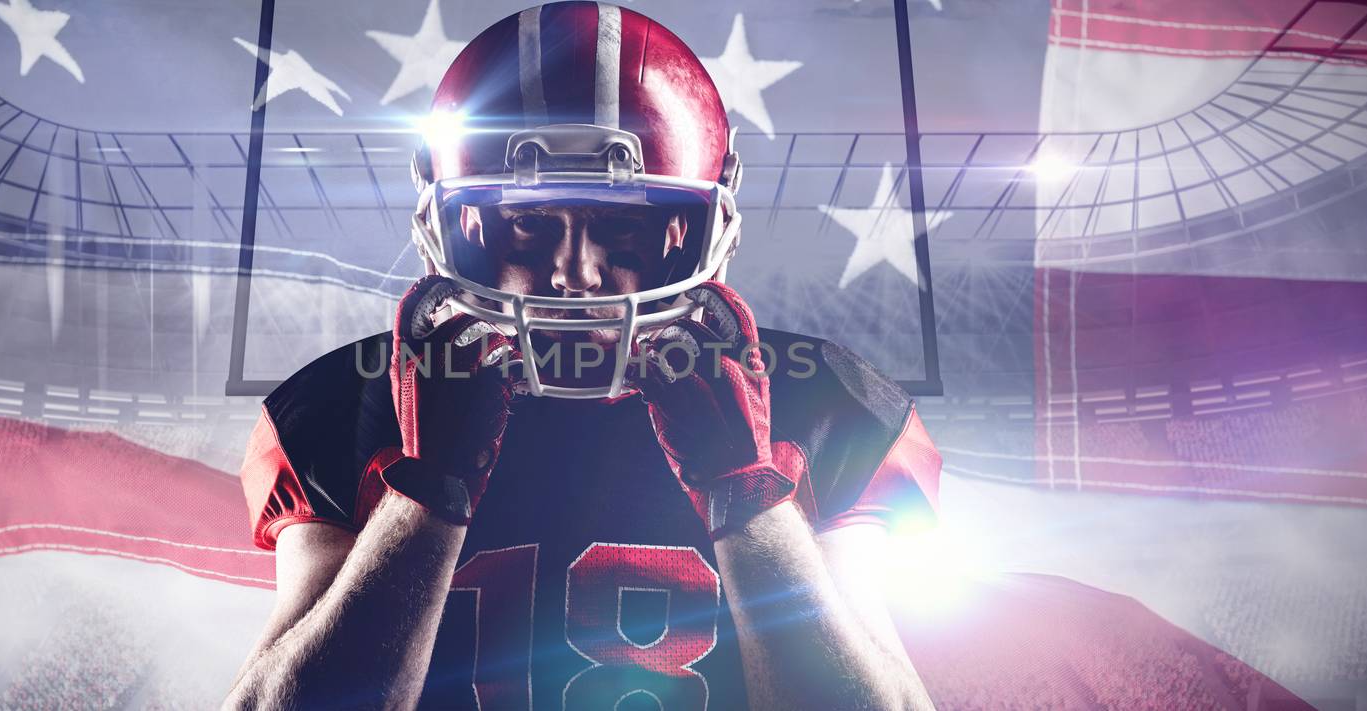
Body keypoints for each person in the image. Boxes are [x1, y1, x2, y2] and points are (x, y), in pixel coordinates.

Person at [223, 3, 941, 709]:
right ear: (455, 219)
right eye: (528, 221)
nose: (575, 272)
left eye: (623, 222)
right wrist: (425, 494)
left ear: (698, 223)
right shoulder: (354, 402)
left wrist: (748, 496)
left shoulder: (817, 405)